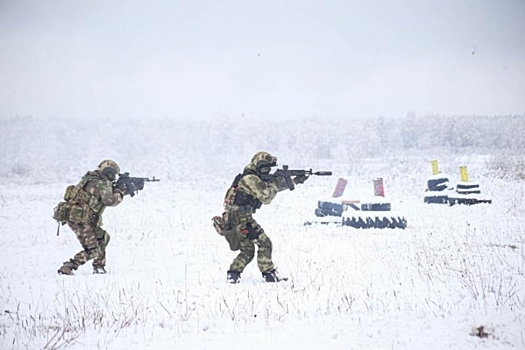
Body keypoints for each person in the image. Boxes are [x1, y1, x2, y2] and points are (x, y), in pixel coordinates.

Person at [218, 151, 308, 283]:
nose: (268, 171)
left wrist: (294, 181)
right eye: (266, 168)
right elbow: (267, 197)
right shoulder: (250, 179)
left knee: (248, 250)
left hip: (236, 218)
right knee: (265, 243)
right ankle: (269, 275)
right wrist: (276, 183)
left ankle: (233, 275)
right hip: (242, 219)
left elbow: (267, 189)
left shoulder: (250, 177)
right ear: (259, 166)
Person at [56, 160, 133, 275]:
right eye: (113, 174)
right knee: (93, 250)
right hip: (80, 220)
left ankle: (99, 267)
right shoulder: (100, 182)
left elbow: (102, 195)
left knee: (103, 238)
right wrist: (121, 190)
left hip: (80, 218)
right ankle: (69, 266)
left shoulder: (91, 179)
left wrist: (123, 190)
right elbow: (110, 200)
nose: (113, 177)